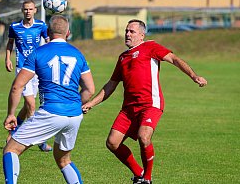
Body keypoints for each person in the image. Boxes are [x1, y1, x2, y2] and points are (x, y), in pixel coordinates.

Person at [82, 19, 207, 184]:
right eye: (126, 31)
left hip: (150, 104)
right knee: (112, 143)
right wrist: (91, 103)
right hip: (128, 109)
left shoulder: (150, 47)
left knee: (144, 136)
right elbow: (111, 85)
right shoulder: (123, 58)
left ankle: (147, 179)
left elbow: (174, 59)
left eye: (131, 32)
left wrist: (194, 76)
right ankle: (139, 173)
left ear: (142, 35)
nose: (127, 34)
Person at [2, 15, 95, 184]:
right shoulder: (78, 54)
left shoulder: (38, 53)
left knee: (11, 149)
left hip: (51, 112)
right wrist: (75, 105)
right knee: (63, 160)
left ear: (48, 32)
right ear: (68, 33)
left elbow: (17, 86)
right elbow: (90, 89)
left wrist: (11, 114)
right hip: (74, 116)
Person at [5, 0, 52, 151]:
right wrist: (7, 58)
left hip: (37, 69)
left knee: (27, 106)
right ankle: (39, 141)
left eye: (30, 9)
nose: (28, 12)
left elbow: (49, 42)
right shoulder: (15, 27)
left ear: (35, 10)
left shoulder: (41, 26)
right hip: (22, 69)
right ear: (22, 10)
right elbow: (10, 44)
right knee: (31, 105)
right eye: (25, 9)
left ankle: (13, 131)